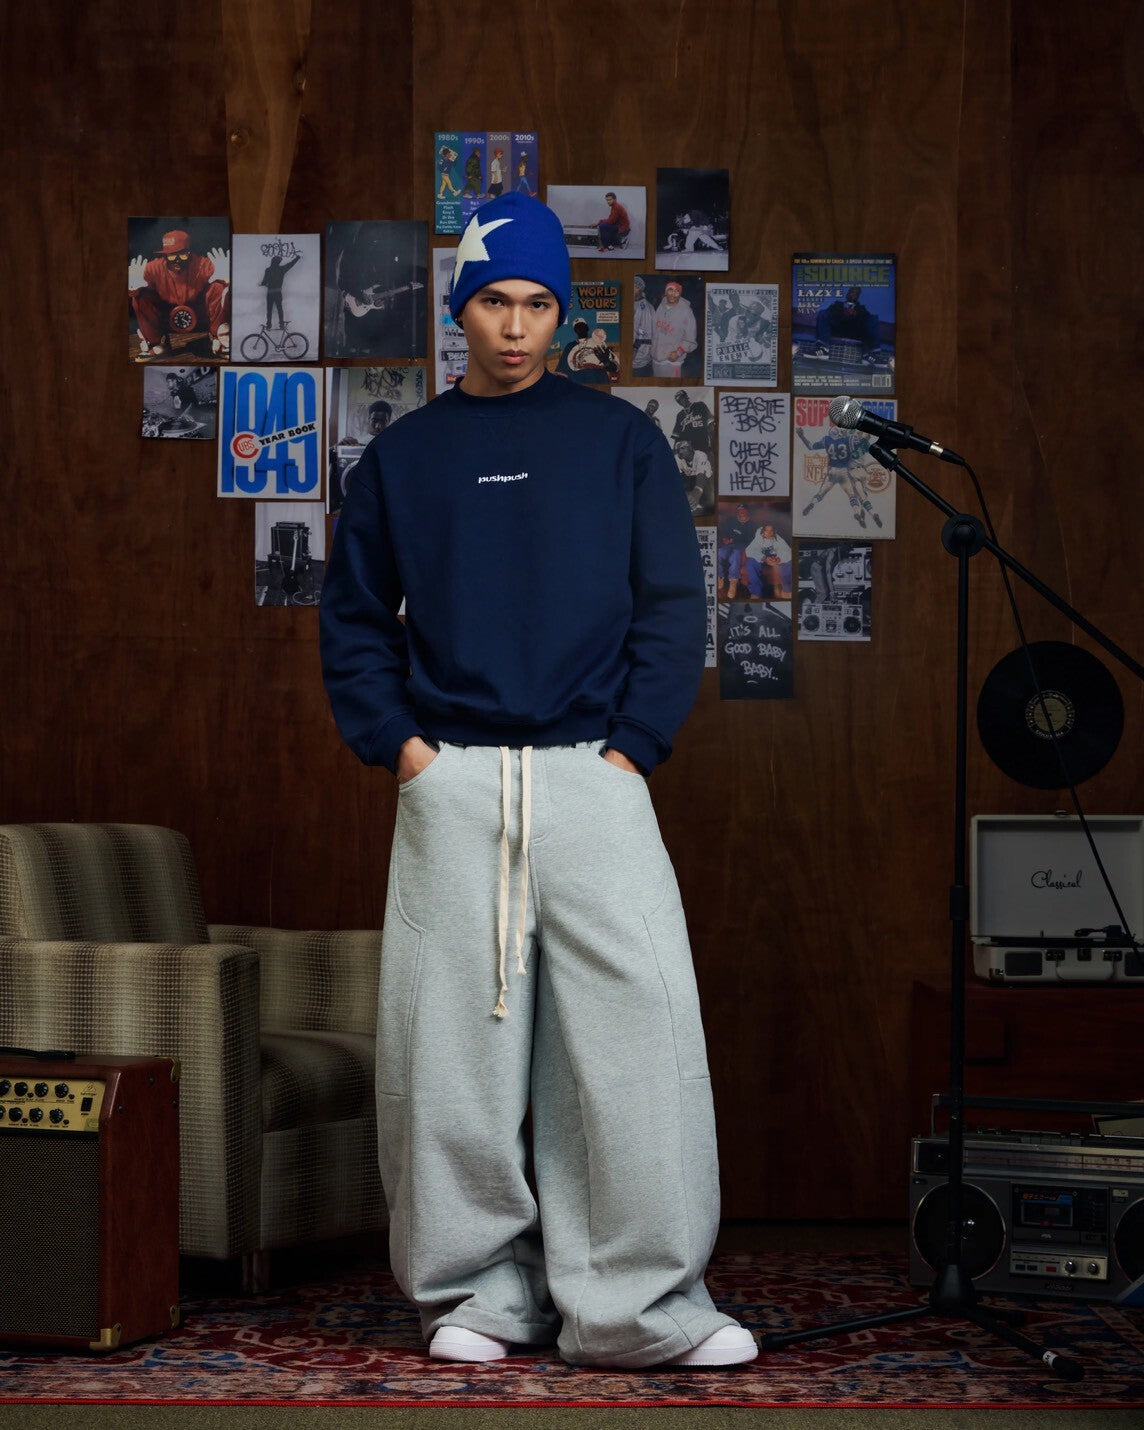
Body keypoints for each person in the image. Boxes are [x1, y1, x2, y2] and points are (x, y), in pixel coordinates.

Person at [319, 190, 756, 1372]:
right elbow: (352, 620)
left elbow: (671, 606)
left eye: (538, 305)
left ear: (562, 313)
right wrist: (406, 753)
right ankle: (476, 1292)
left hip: (591, 773)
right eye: (494, 303)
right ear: (459, 311)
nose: (515, 328)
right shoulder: (404, 457)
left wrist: (631, 748)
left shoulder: (619, 442)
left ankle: (641, 1304)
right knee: (448, 1052)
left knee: (635, 1039)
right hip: (454, 777)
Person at [128, 228, 230, 359]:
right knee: (140, 296)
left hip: (201, 316)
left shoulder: (202, 264)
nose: (177, 260)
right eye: (171, 255)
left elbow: (227, 283)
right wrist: (132, 289)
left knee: (220, 287)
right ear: (165, 255)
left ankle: (220, 338)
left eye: (182, 255)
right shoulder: (153, 267)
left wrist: (229, 279)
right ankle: (155, 343)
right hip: (165, 317)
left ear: (189, 252)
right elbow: (132, 288)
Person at [813, 286, 881, 360]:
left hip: (855, 332)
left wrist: (856, 315)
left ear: (858, 296)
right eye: (852, 292)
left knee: (873, 318)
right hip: (838, 329)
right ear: (847, 294)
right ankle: (823, 348)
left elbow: (866, 323)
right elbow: (829, 315)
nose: (853, 295)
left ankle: (873, 353)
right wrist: (842, 313)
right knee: (823, 313)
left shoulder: (862, 309)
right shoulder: (837, 304)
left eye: (856, 294)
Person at [650, 281, 697, 378]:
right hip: (656, 359)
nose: (673, 294)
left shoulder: (686, 311)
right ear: (666, 292)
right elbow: (654, 330)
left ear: (680, 294)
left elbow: (691, 339)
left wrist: (679, 352)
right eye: (670, 290)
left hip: (672, 361)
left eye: (677, 291)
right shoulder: (661, 306)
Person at [743, 521, 792, 598]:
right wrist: (764, 558)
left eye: (771, 531)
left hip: (775, 559)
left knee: (788, 563)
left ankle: (787, 590)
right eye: (766, 530)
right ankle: (756, 593)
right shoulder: (758, 538)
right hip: (761, 559)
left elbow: (786, 551)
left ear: (774, 531)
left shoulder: (778, 538)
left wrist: (778, 559)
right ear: (763, 531)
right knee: (750, 563)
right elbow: (749, 550)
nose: (769, 533)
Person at [717, 502, 755, 599]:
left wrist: (736, 540)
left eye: (744, 510)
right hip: (728, 544)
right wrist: (725, 538)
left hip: (742, 545)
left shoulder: (753, 524)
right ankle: (719, 576)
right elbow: (722, 530)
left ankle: (733, 581)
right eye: (740, 510)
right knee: (719, 552)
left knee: (735, 555)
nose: (741, 512)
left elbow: (751, 540)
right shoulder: (730, 520)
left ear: (747, 511)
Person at [260, 252, 301, 329]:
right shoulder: (282, 269)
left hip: (270, 293)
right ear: (278, 262)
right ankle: (281, 324)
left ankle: (269, 325)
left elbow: (264, 281)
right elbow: (290, 264)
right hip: (278, 292)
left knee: (269, 310)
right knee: (280, 309)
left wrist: (263, 284)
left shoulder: (268, 270)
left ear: (272, 262)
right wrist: (297, 258)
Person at [671, 388, 714, 457]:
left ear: (686, 397)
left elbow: (710, 423)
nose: (680, 401)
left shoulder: (700, 405)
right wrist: (675, 450)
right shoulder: (680, 415)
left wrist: (713, 442)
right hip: (689, 451)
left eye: (681, 398)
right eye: (678, 401)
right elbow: (677, 435)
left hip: (704, 445)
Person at [632, 275, 656, 372]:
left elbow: (645, 333)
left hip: (638, 359)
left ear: (640, 289)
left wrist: (634, 350)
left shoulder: (644, 307)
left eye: (634, 287)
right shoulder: (636, 303)